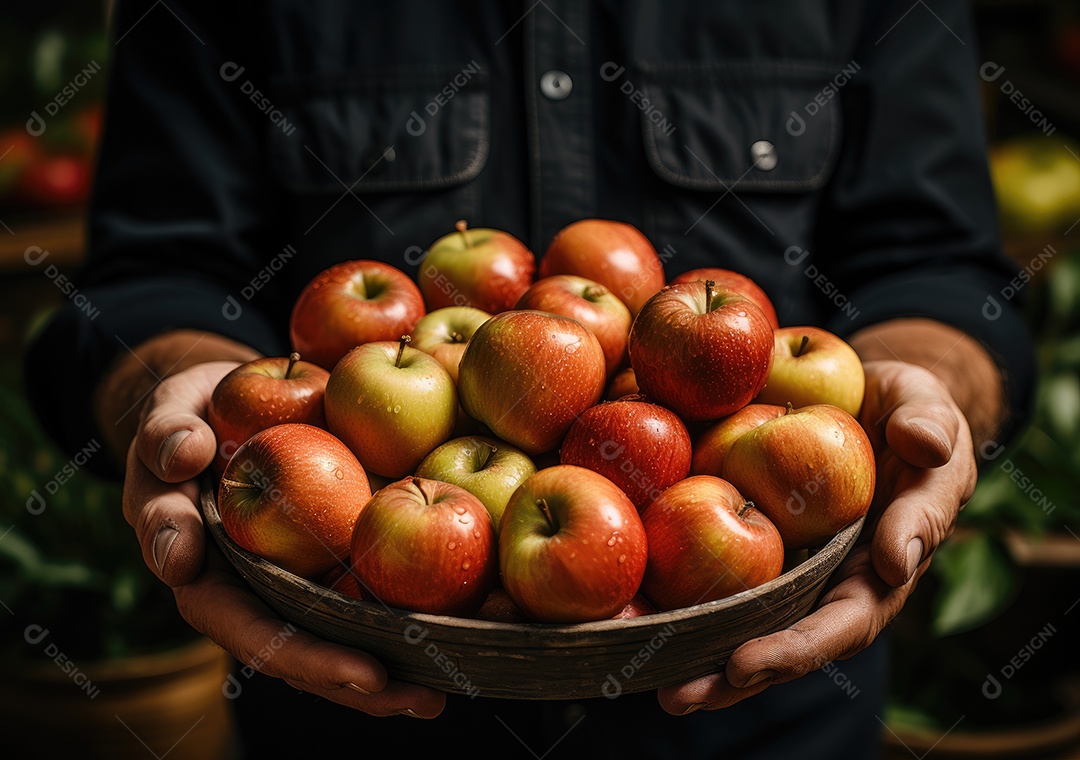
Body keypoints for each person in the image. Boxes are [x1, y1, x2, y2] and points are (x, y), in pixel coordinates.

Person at [24, 1, 1036, 757]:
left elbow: (933, 261)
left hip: (765, 707)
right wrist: (172, 388)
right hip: (355, 698)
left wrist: (933, 387)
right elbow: (153, 270)